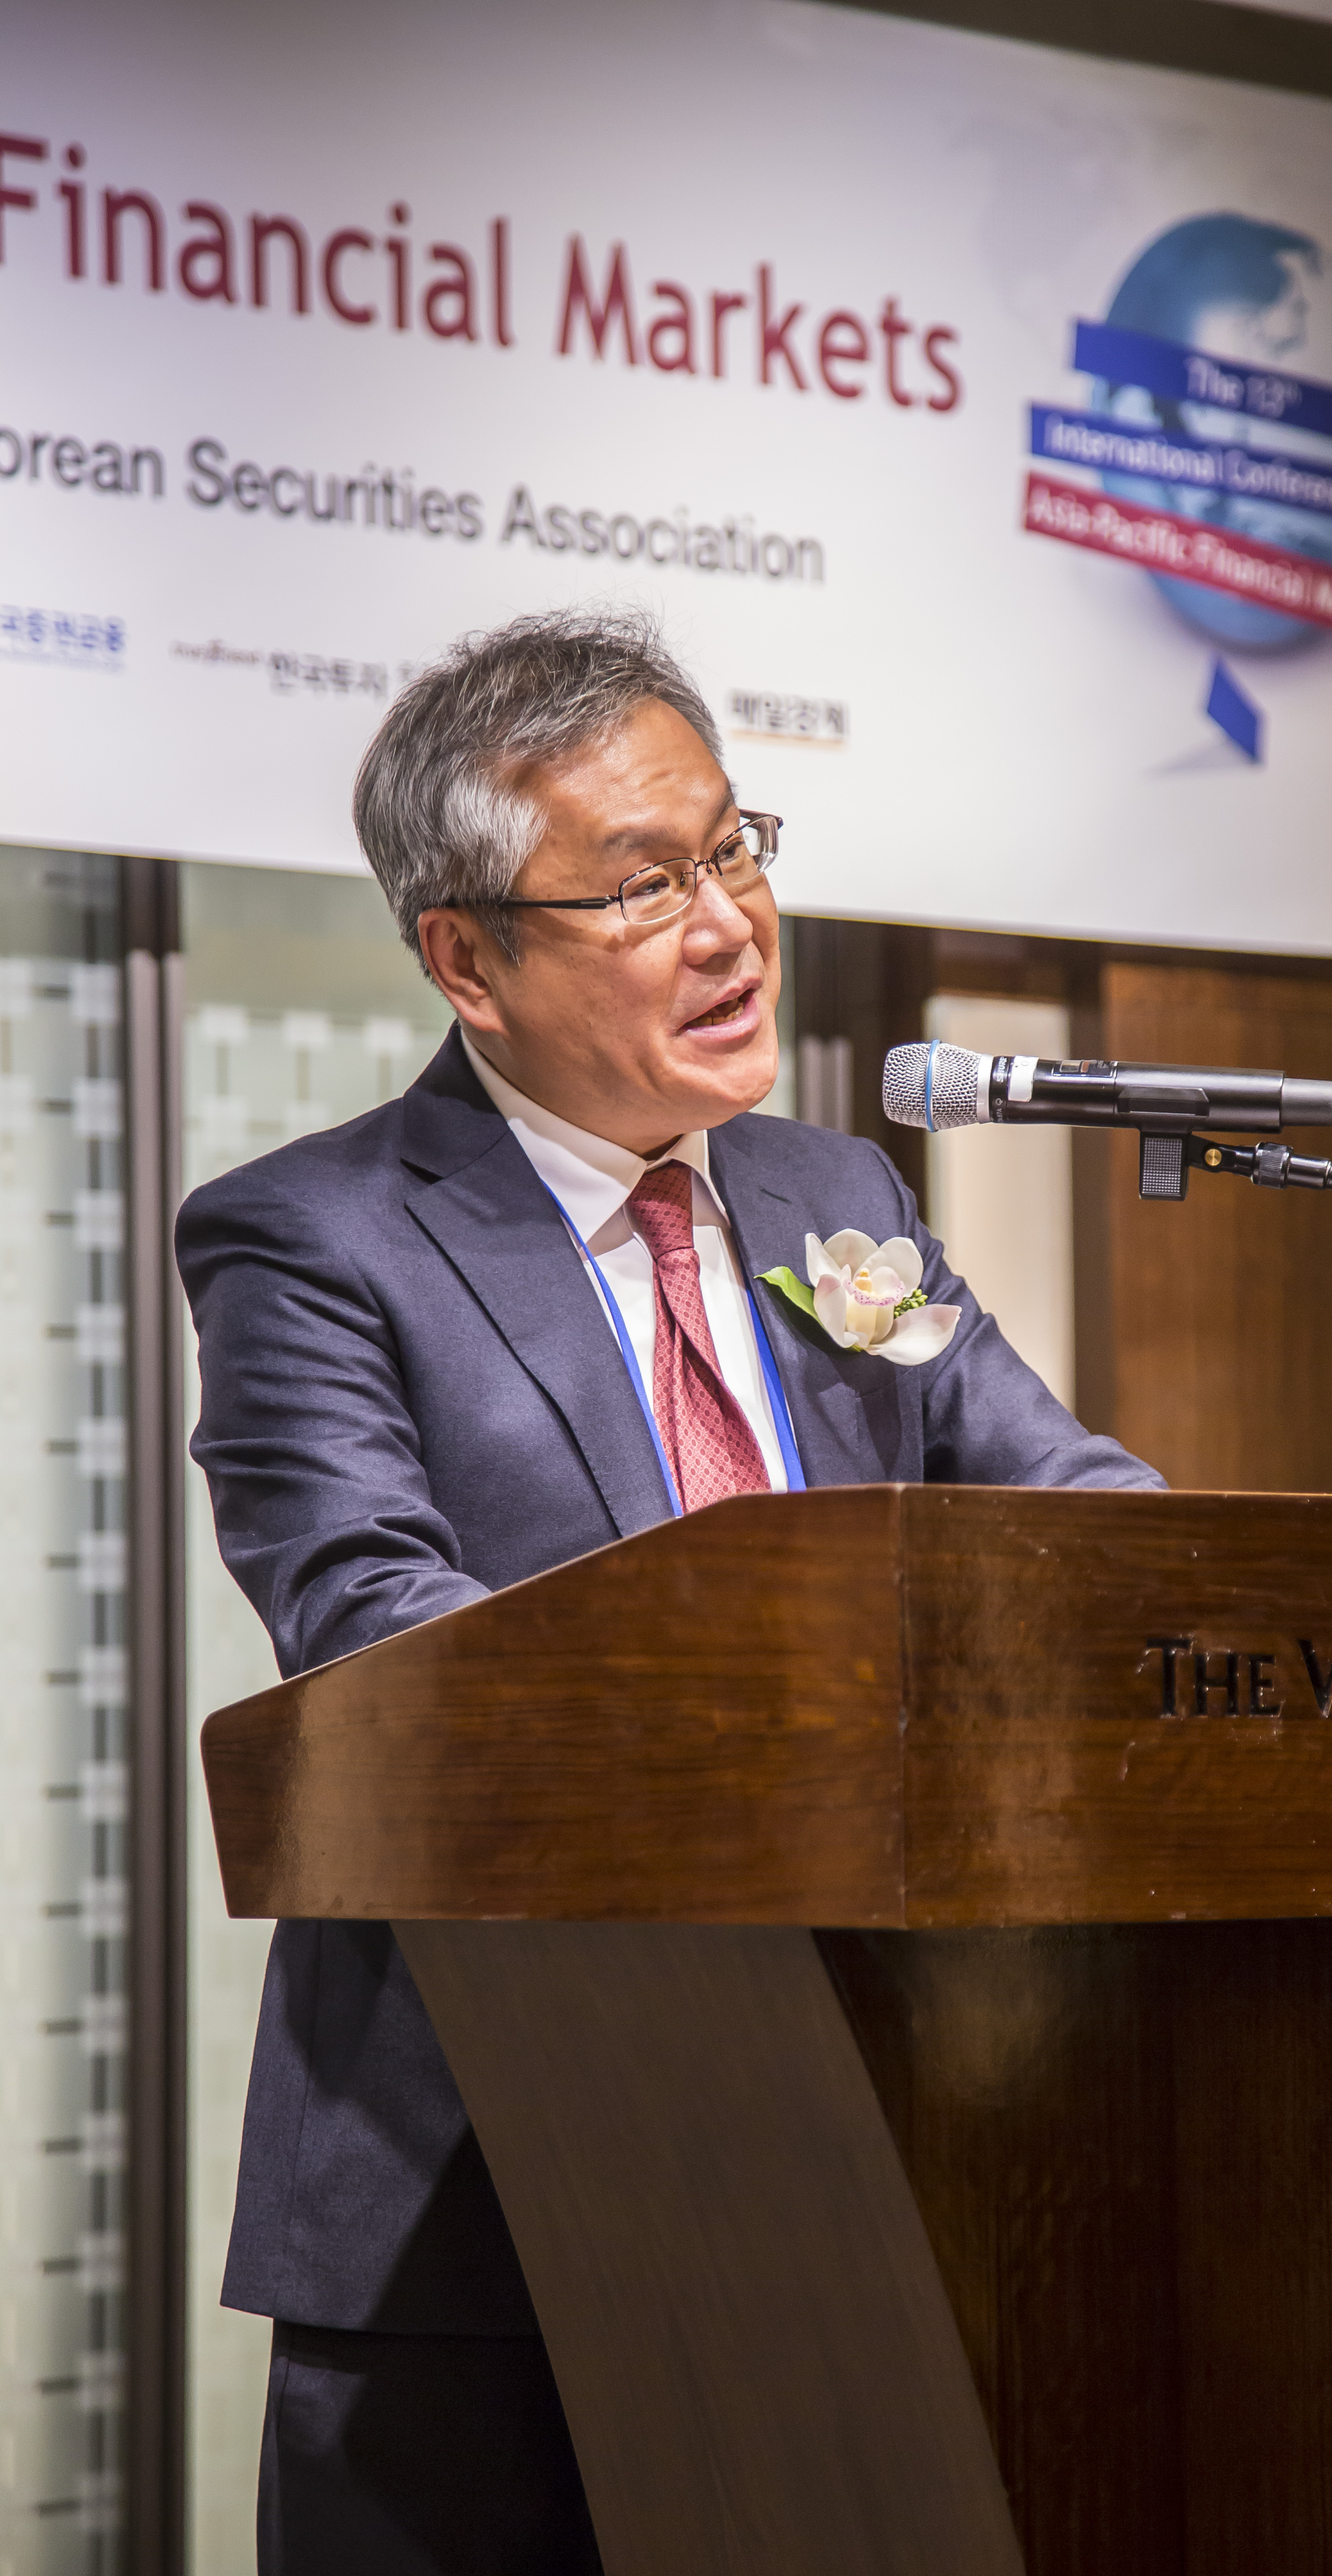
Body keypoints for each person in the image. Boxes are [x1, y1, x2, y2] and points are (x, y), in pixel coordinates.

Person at [177, 607, 1165, 2575]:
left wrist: (1200, 1600)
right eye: (642, 887)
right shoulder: (312, 1238)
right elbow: (374, 1627)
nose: (729, 928)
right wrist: (784, 1709)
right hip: (482, 2173)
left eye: (733, 853)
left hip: (876, 2144)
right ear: (467, 959)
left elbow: (1059, 1499)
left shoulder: (833, 1197)